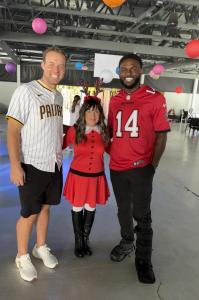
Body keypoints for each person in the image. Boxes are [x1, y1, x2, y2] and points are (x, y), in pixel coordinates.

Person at [108, 53, 170, 284]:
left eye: (133, 68)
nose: (128, 72)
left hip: (141, 167)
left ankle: (143, 260)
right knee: (123, 209)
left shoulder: (155, 98)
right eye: (124, 68)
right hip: (116, 168)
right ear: (119, 72)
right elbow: (113, 132)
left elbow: (161, 136)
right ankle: (126, 242)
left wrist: (151, 167)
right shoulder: (114, 100)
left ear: (141, 71)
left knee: (142, 216)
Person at [6, 47, 67, 282]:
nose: (56, 69)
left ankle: (40, 247)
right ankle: (22, 255)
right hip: (32, 163)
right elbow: (12, 132)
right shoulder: (26, 92)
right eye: (51, 63)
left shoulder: (59, 96)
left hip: (54, 163)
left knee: (45, 207)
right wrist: (14, 165)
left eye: (60, 65)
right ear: (42, 65)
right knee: (29, 213)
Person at [62, 96, 110, 258]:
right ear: (83, 114)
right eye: (89, 111)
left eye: (96, 111)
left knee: (90, 207)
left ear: (100, 114)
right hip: (78, 178)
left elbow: (114, 151)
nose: (93, 115)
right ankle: (78, 242)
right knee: (77, 207)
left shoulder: (104, 132)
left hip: (96, 178)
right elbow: (58, 145)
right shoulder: (74, 131)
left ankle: (85, 239)